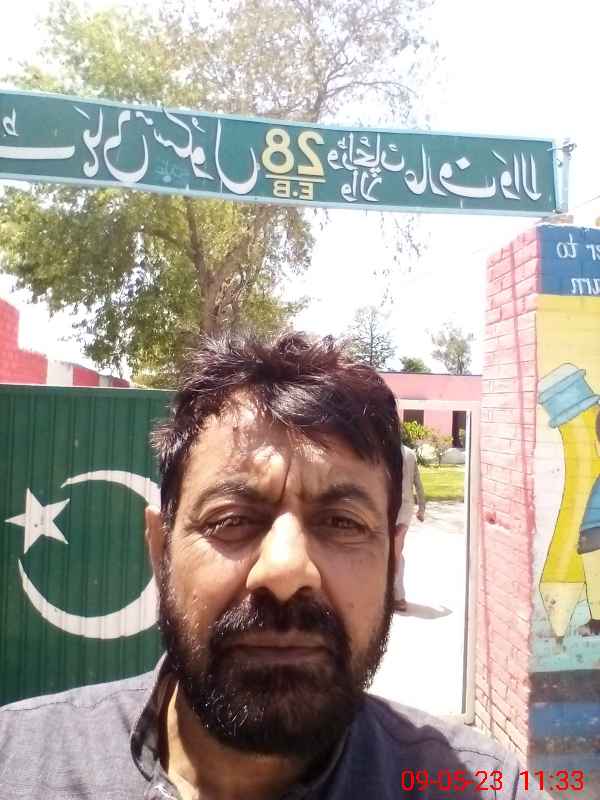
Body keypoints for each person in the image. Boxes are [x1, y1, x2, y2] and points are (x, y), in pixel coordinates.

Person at [0, 333, 546, 799]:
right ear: (159, 548)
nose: (285, 570)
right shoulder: (15, 763)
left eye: (342, 523)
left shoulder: (484, 785)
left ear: (393, 558)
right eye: (232, 519)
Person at [393, 443, 426, 612]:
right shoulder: (410, 453)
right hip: (406, 509)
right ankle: (395, 594)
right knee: (397, 550)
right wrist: (421, 508)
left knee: (394, 553)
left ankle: (398, 597)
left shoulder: (386, 450)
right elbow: (418, 483)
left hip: (393, 509)